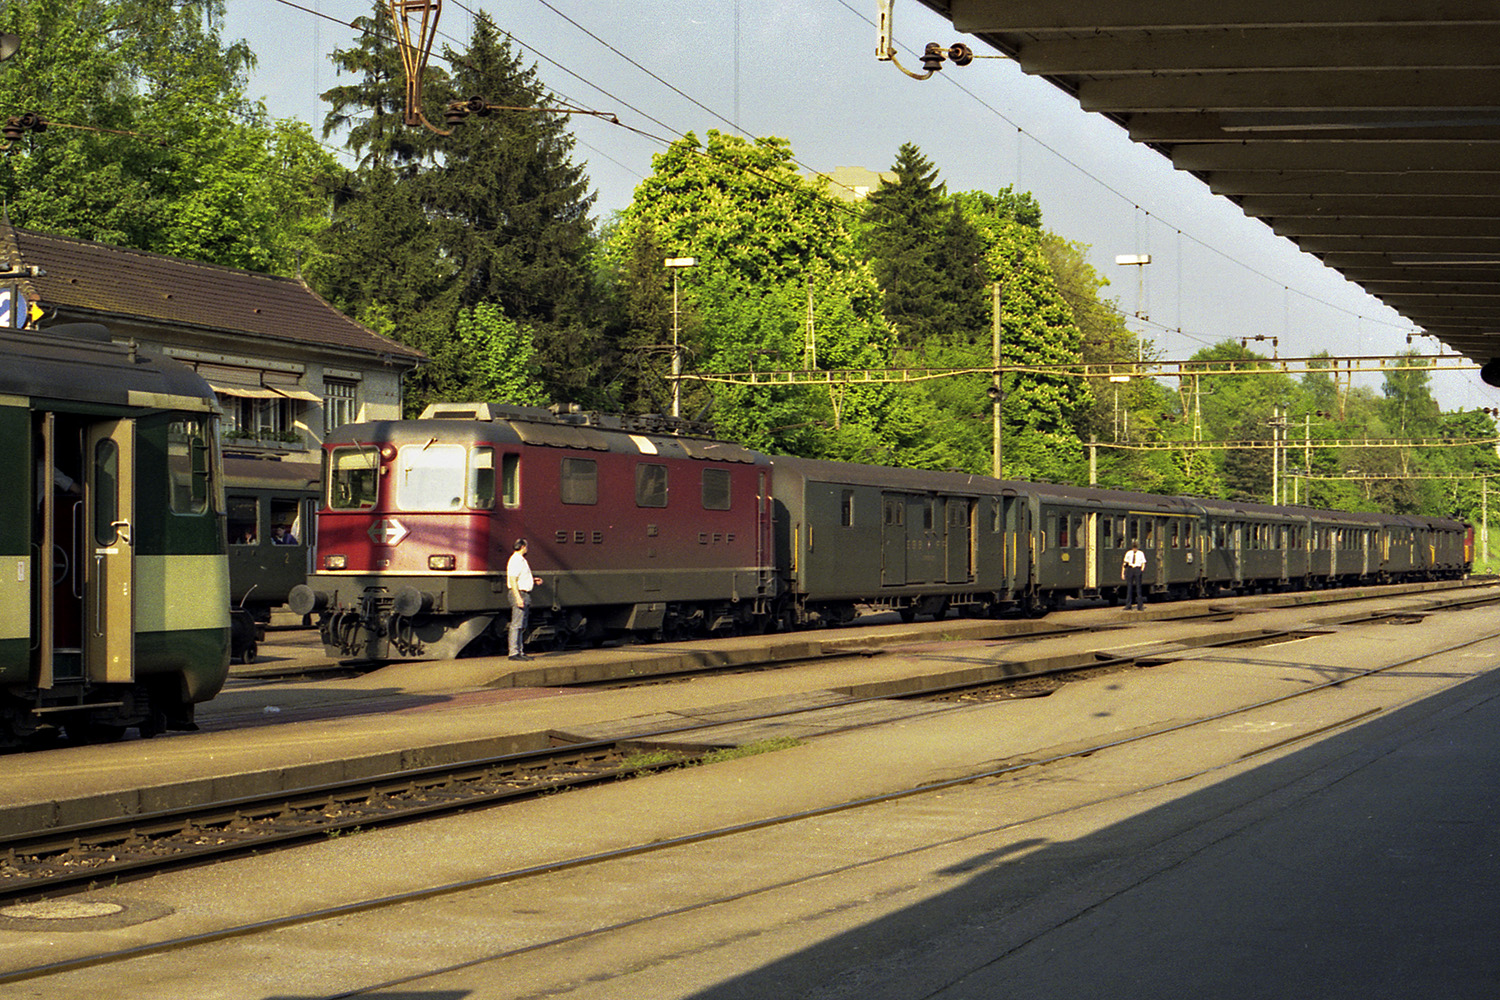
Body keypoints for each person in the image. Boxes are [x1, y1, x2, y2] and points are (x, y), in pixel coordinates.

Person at [506, 538, 542, 661]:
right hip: (520, 594)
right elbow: (512, 580)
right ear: (522, 547)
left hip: (524, 593)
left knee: (521, 624)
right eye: (526, 546)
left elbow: (520, 578)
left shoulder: (520, 560)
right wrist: (518, 598)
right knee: (516, 625)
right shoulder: (516, 560)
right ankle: (513, 653)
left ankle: (519, 651)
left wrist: (533, 580)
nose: (527, 548)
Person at [1122, 539, 1147, 611]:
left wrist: (1141, 570)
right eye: (1133, 547)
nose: (1134, 549)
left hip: (1137, 569)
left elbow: (1143, 562)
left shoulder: (1141, 553)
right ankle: (1128, 605)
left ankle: (1140, 606)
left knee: (1138, 588)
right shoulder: (1128, 553)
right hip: (1130, 569)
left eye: (1135, 547)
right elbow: (1124, 563)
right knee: (1129, 587)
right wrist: (1123, 572)